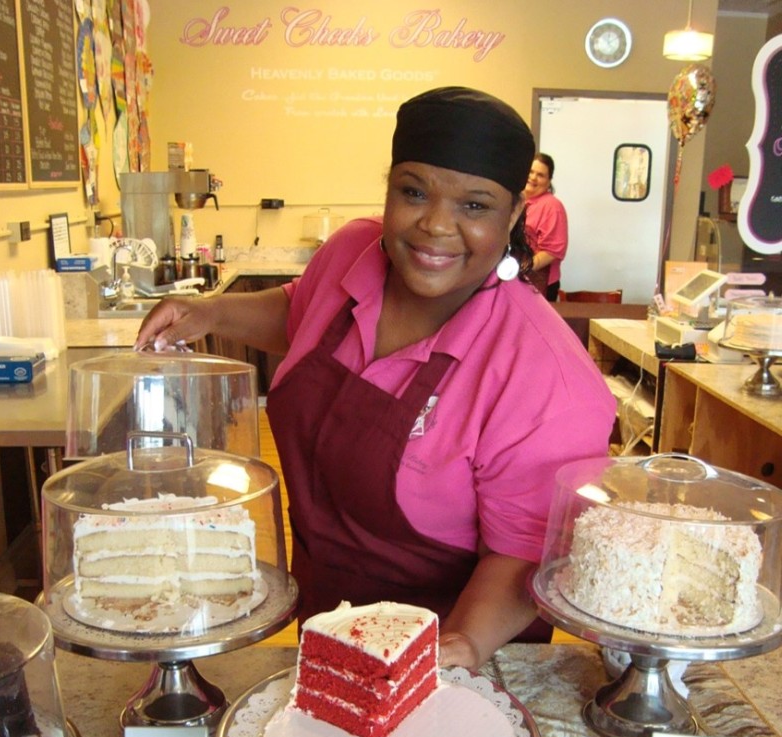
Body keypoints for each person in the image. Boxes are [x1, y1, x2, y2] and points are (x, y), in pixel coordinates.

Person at [136, 87, 615, 670]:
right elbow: (300, 313)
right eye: (414, 192)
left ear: (514, 214)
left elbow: (522, 556)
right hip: (323, 619)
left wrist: (457, 650)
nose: (436, 225)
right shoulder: (351, 252)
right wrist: (211, 312)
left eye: (475, 206)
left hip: (460, 649)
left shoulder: (548, 381)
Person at [519, 152, 568, 301]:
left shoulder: (552, 206)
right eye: (531, 172)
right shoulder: (517, 201)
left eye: (540, 175)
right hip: (516, 279)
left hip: (537, 282)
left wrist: (521, 270)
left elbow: (552, 251)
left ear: (549, 181)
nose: (533, 178)